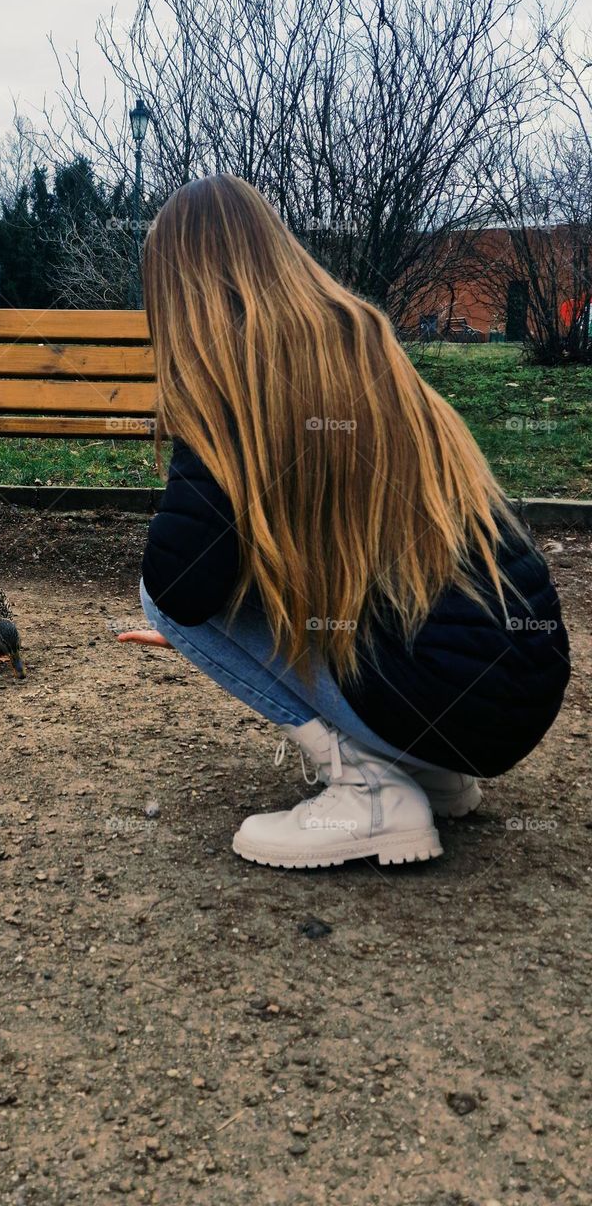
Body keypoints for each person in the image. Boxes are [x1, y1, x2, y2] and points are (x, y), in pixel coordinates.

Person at [119, 174, 570, 871]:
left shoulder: (236, 369)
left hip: (442, 690)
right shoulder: (360, 332)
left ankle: (371, 795)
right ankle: (428, 772)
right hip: (523, 687)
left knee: (163, 598)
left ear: (181, 292)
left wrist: (217, 624)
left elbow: (181, 585)